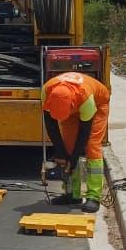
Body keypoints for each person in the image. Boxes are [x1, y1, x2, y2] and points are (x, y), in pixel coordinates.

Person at [42, 71, 111, 212]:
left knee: (91, 146)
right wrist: (60, 153)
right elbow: (51, 126)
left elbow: (83, 135)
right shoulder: (46, 91)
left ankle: (94, 196)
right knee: (68, 147)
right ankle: (73, 194)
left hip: (98, 104)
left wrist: (73, 159)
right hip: (72, 107)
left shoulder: (86, 98)